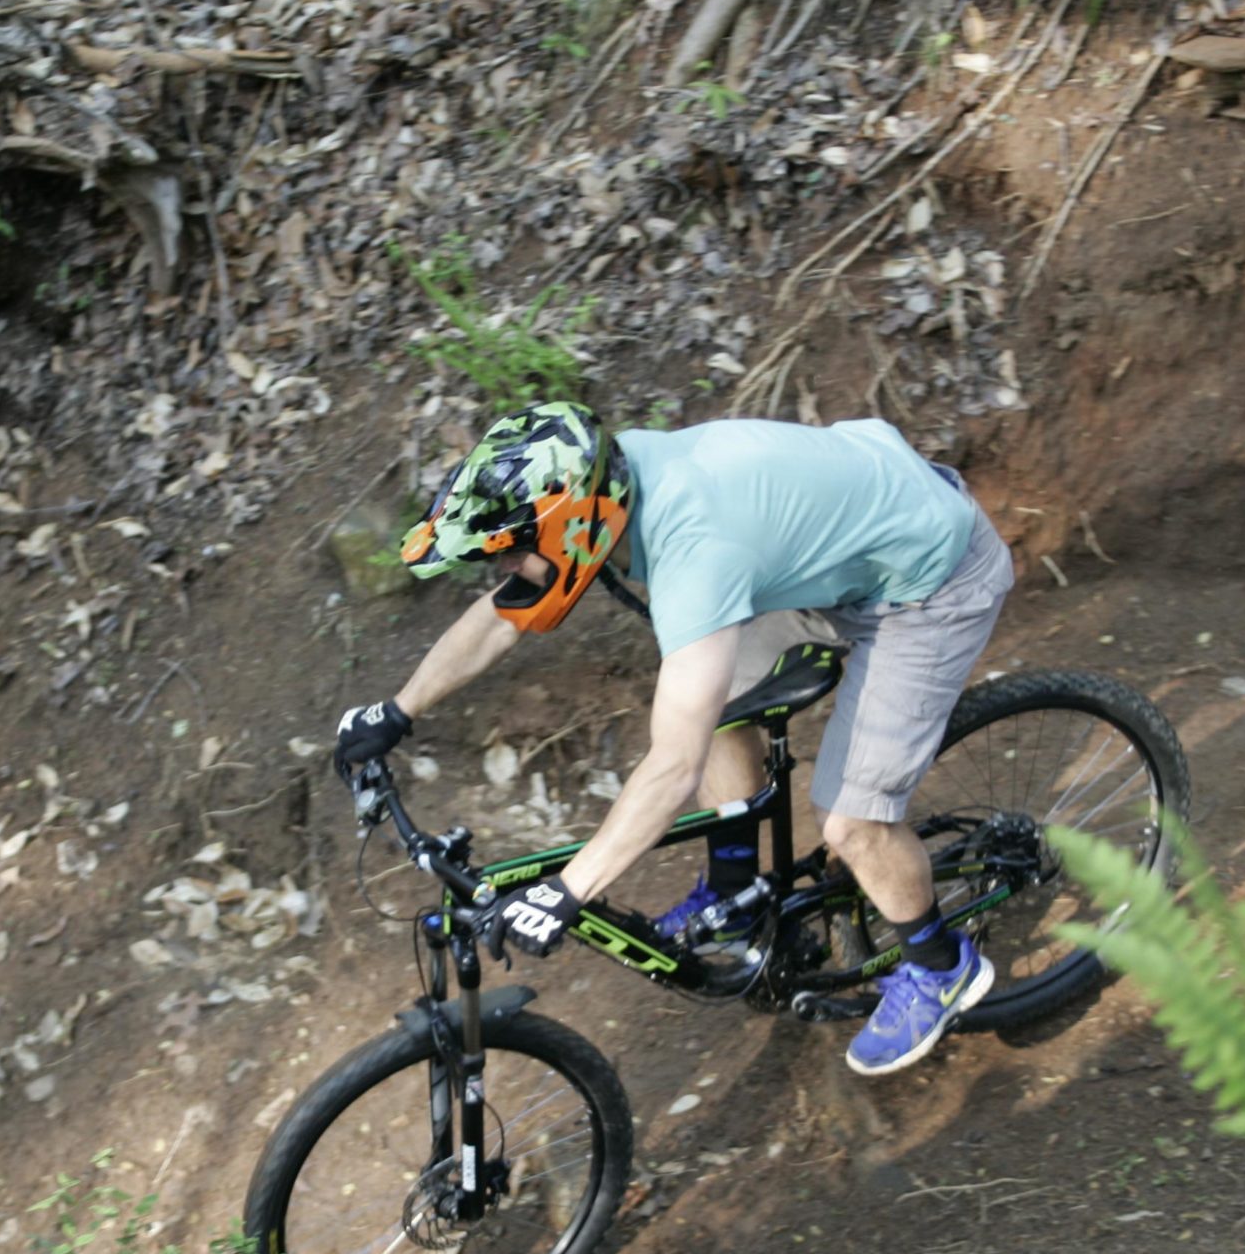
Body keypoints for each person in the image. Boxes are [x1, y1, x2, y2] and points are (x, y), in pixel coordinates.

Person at [332, 401, 1016, 1077]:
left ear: (570, 530)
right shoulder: (607, 479)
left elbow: (673, 766)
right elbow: (502, 618)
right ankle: (734, 888)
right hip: (848, 547)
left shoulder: (694, 553)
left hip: (931, 579)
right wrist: (395, 711)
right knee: (710, 700)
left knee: (851, 823)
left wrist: (570, 889)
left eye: (513, 556)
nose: (507, 572)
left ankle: (940, 966)